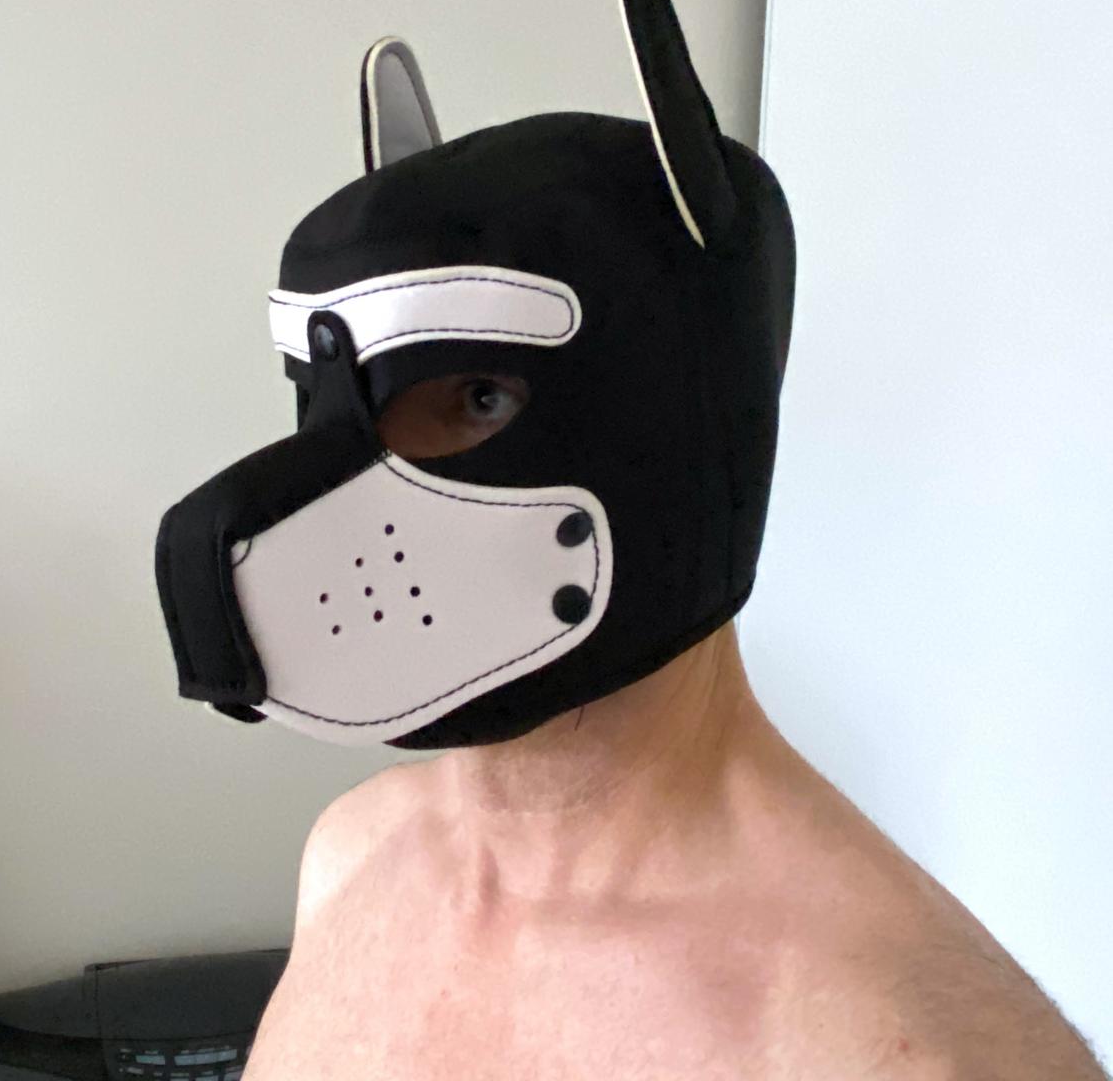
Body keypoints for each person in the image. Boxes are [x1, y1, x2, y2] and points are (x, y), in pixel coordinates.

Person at [239, 375, 1107, 1080]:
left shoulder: (914, 1053)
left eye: (478, 397)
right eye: (333, 395)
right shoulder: (347, 854)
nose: (362, 479)